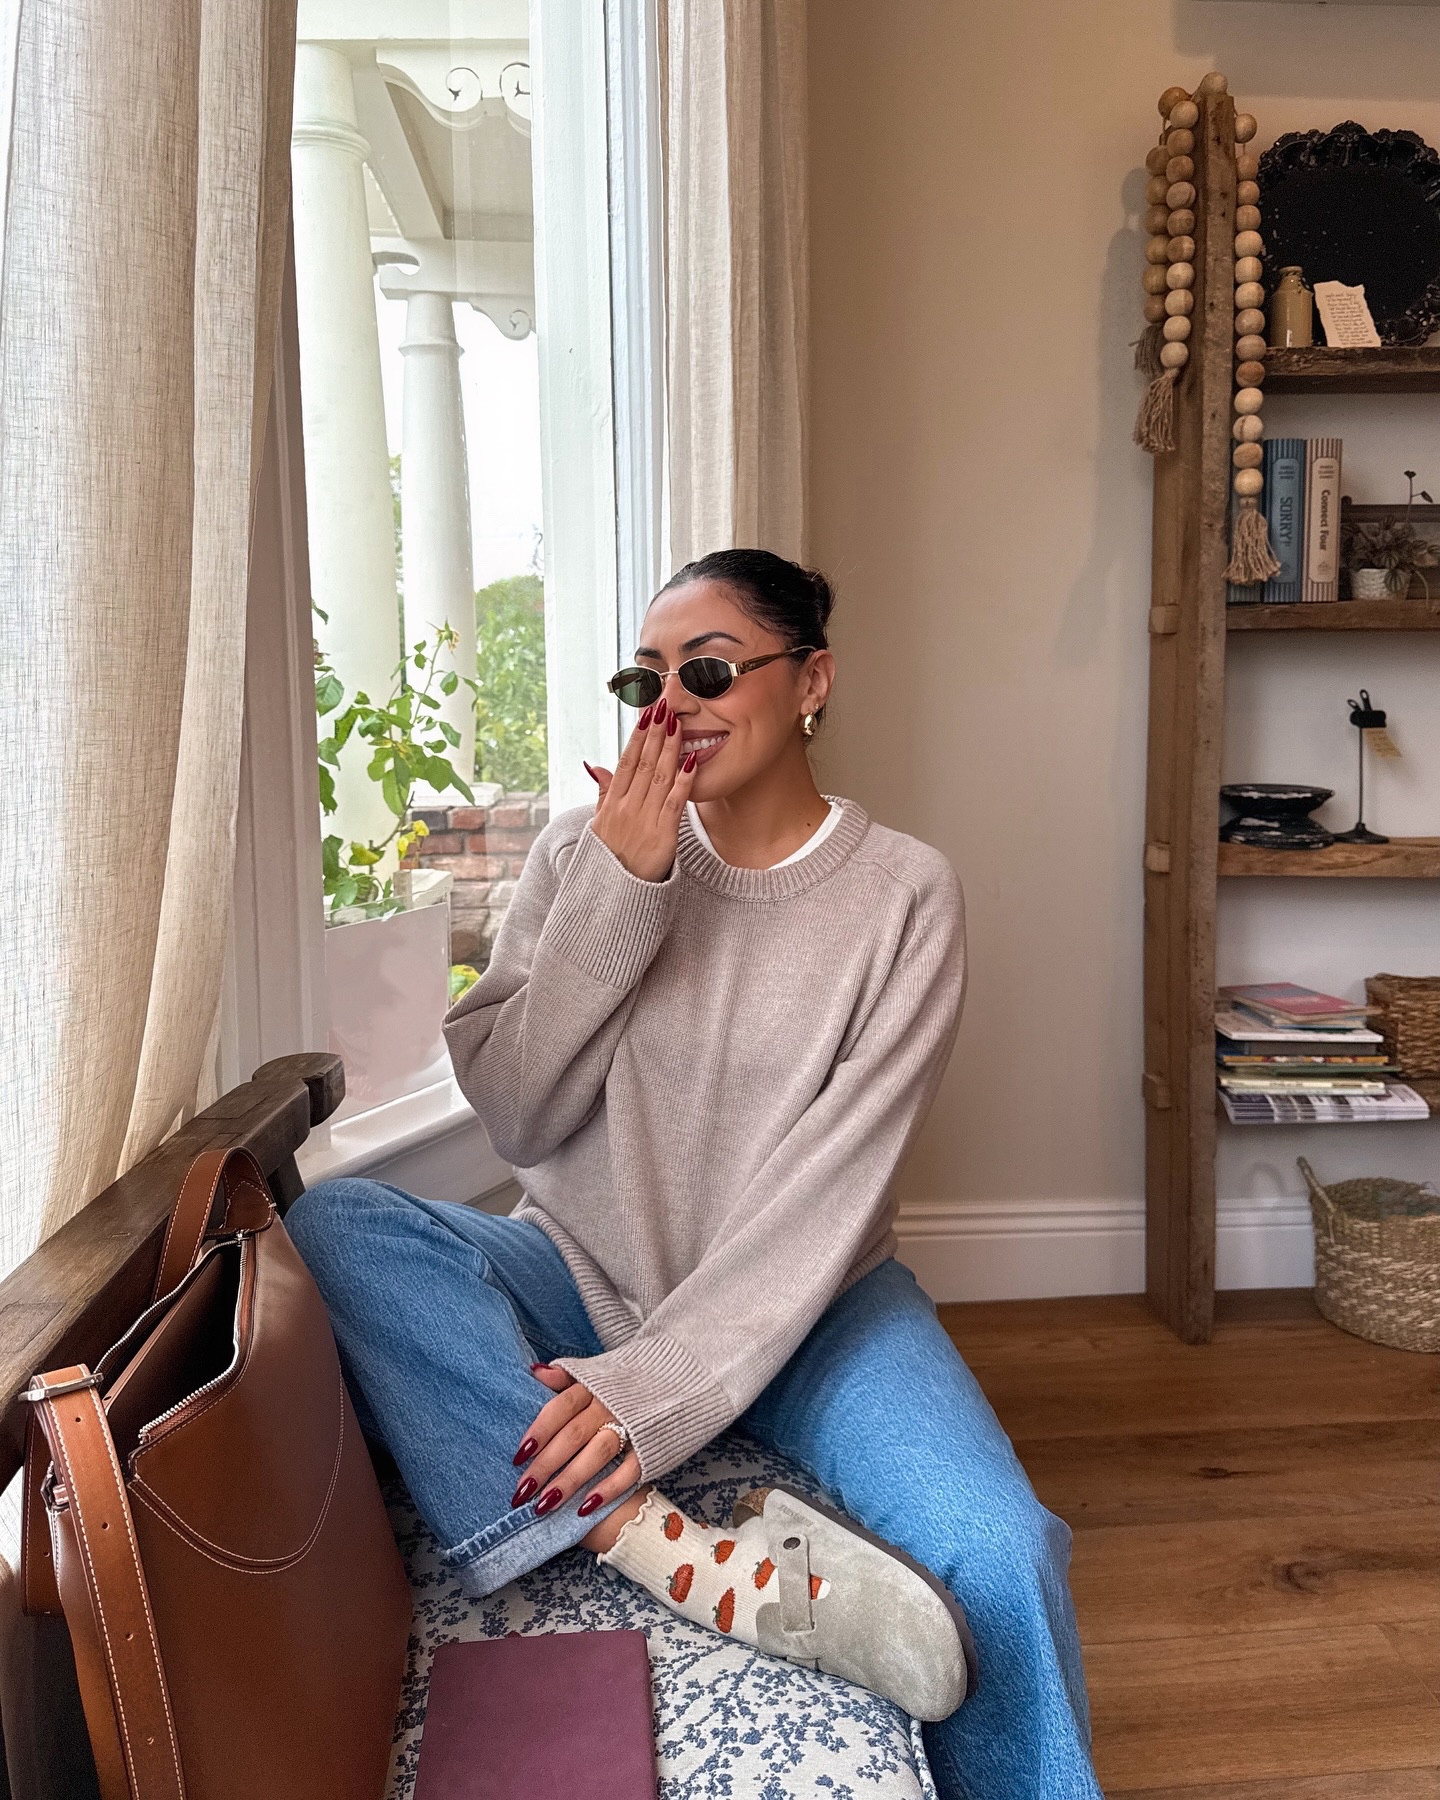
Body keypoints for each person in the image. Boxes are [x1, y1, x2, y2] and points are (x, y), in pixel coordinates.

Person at [288, 549, 1102, 1799]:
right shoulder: (584, 854)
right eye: (646, 679)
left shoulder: (903, 897)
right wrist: (627, 887)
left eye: (710, 669)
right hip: (579, 1267)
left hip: (817, 1308)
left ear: (812, 679)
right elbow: (517, 1113)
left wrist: (650, 1395)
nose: (671, 706)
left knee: (1001, 1555)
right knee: (341, 1224)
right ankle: (648, 1541)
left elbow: (829, 1196)